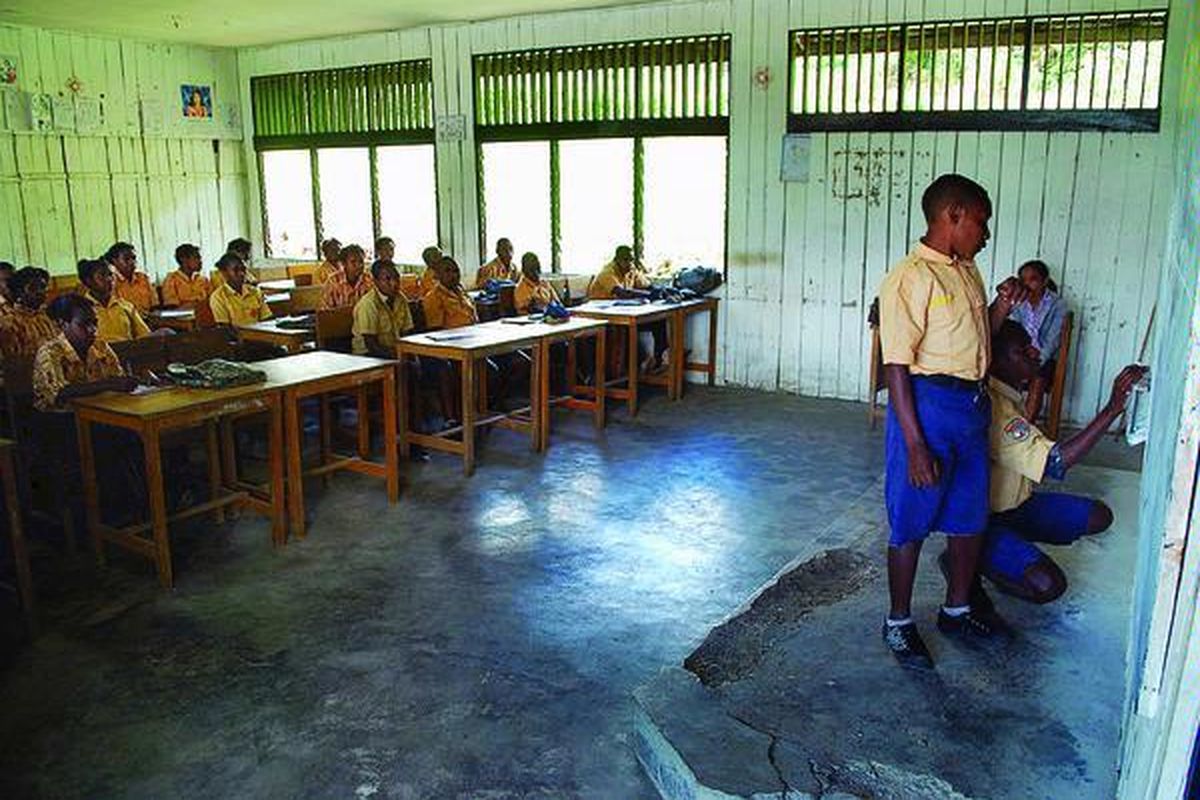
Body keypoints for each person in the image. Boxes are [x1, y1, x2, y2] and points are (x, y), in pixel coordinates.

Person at [877, 173, 1027, 669]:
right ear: (953, 215)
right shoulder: (909, 277)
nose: (985, 234)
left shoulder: (967, 271)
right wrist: (916, 445)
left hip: (969, 407)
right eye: (981, 223)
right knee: (912, 518)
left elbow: (977, 338)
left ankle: (956, 609)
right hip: (925, 406)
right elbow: (896, 364)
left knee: (968, 516)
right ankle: (898, 621)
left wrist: (1001, 307)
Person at [968, 321, 1145, 606]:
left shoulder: (1010, 394)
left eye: (1031, 345)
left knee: (1099, 515)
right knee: (1049, 585)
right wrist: (1113, 407)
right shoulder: (997, 409)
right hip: (986, 521)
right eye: (1022, 351)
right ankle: (968, 566)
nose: (1034, 352)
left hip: (1017, 506)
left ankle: (1008, 548)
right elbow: (1057, 462)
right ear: (998, 361)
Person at [32, 293, 136, 412]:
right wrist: (107, 385)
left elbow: (117, 377)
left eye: (94, 323)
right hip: (59, 420)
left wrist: (127, 381)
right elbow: (58, 394)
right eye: (83, 324)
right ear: (63, 324)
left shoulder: (100, 346)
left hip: (99, 411)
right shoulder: (50, 352)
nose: (92, 330)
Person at [588, 245, 668, 371]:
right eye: (626, 260)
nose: (629, 263)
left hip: (623, 314)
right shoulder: (607, 273)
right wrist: (649, 294)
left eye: (631, 260)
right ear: (617, 260)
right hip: (601, 317)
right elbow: (622, 293)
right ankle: (630, 371)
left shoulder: (631, 269)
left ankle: (659, 361)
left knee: (658, 321)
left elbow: (647, 285)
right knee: (628, 330)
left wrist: (664, 291)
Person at [1009, 259, 1067, 423]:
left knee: (1039, 376)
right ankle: (1004, 425)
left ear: (1044, 281)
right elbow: (1012, 329)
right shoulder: (1018, 303)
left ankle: (1026, 427)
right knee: (996, 370)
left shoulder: (1058, 305)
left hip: (1044, 357)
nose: (1027, 284)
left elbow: (1054, 338)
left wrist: (1039, 355)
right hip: (1020, 354)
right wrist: (1021, 350)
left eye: (1033, 279)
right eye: (1023, 280)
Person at [78, 258, 151, 342]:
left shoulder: (126, 306)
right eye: (102, 275)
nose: (109, 279)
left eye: (111, 275)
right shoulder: (81, 309)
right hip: (101, 354)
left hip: (129, 352)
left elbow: (145, 335)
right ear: (89, 281)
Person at [352, 261, 413, 357]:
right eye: (387, 279)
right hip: (368, 356)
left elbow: (406, 332)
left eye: (396, 278)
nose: (394, 283)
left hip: (395, 350)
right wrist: (398, 356)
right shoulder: (368, 304)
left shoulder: (400, 298)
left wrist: (408, 353)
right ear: (375, 281)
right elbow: (371, 344)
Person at [0, 266, 57, 361]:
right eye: (32, 288)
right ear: (19, 291)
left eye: (42, 287)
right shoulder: (11, 324)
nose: (40, 292)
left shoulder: (48, 316)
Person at [209, 252, 271, 326]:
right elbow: (225, 329)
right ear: (224, 273)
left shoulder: (255, 292)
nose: (241, 273)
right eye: (236, 270)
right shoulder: (218, 297)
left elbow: (267, 318)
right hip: (236, 336)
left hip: (258, 334)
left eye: (243, 269)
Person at [422, 257, 477, 330]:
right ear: (438, 275)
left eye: (456, 271)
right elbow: (435, 330)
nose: (453, 275)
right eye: (447, 271)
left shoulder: (463, 293)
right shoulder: (433, 297)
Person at [104, 242, 156, 314]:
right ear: (114, 261)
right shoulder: (111, 282)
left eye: (134, 258)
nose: (132, 262)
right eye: (126, 259)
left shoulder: (143, 278)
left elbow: (155, 306)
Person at [319, 244, 374, 310]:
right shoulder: (333, 281)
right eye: (353, 262)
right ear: (344, 264)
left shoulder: (369, 280)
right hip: (339, 319)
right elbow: (326, 310)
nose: (359, 265)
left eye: (361, 261)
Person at [160, 244, 211, 309]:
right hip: (182, 317)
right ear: (183, 259)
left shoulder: (203, 280)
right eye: (196, 258)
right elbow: (172, 307)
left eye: (200, 258)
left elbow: (212, 301)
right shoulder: (171, 279)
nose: (200, 262)